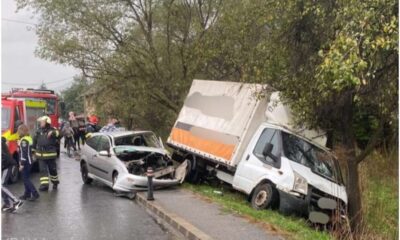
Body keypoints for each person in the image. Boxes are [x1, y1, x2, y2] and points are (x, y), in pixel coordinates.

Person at [33, 116, 60, 191]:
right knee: (43, 171)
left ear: (47, 122)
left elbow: (60, 134)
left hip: (50, 155)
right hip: (41, 156)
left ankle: (55, 182)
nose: (41, 123)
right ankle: (44, 185)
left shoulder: (53, 130)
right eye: (41, 122)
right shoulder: (38, 131)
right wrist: (33, 151)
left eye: (42, 122)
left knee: (52, 170)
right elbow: (34, 141)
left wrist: (53, 132)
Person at [17, 124, 40, 201]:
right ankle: (27, 194)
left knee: (26, 179)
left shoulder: (24, 141)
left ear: (22, 131)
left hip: (26, 162)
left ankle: (35, 193)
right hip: (29, 161)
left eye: (19, 130)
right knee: (25, 178)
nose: (17, 132)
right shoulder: (27, 138)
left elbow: (24, 153)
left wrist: (22, 164)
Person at [2, 137, 24, 212]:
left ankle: (16, 201)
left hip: (7, 166)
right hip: (5, 165)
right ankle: (7, 204)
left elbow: (5, 158)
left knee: (1, 185)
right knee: (2, 185)